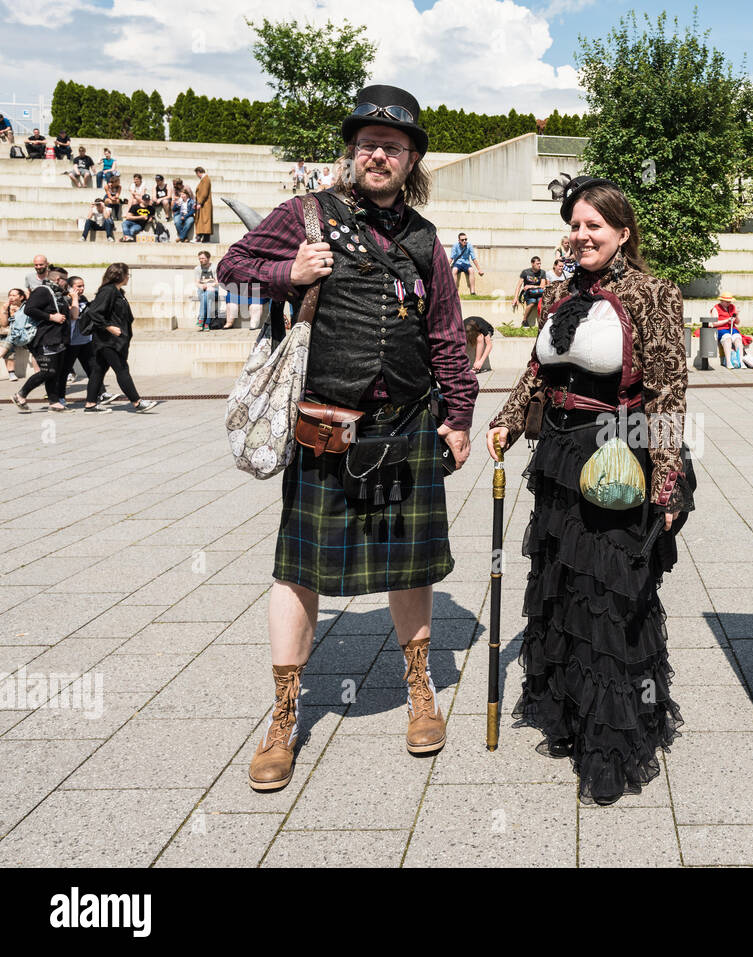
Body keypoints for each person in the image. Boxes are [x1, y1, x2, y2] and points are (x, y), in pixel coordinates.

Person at [217, 84, 478, 793]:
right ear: (351, 152)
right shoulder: (305, 214)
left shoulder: (426, 241)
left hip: (406, 425)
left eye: (393, 146)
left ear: (413, 158)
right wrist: (288, 271)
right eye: (367, 143)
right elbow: (230, 266)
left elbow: (447, 337)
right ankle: (283, 715)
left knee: (410, 565)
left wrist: (459, 414)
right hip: (324, 427)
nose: (378, 154)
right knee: (297, 569)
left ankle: (419, 689)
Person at [485, 176, 694, 806]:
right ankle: (570, 716)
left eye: (593, 226)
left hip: (617, 456)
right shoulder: (559, 294)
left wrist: (664, 480)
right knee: (563, 589)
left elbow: (668, 391)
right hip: (559, 455)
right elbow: (536, 373)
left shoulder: (654, 294)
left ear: (623, 233)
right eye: (573, 225)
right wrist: (505, 421)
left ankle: (611, 745)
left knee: (611, 596)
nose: (580, 235)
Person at [80, 262, 158, 414]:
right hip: (108, 340)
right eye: (127, 274)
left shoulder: (118, 291)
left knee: (98, 370)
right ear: (119, 276)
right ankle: (137, 402)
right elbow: (94, 312)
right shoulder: (108, 291)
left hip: (112, 340)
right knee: (122, 369)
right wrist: (108, 327)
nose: (128, 277)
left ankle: (90, 404)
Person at [12, 266, 73, 412]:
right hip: (44, 339)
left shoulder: (57, 294)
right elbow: (29, 309)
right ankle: (20, 394)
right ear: (58, 279)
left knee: (54, 372)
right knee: (48, 371)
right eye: (66, 280)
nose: (68, 283)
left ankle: (54, 402)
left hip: (56, 339)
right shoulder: (43, 291)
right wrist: (51, 317)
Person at [62, 276, 96, 387]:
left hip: (85, 340)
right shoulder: (65, 300)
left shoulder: (83, 298)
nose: (82, 288)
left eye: (83, 286)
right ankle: (55, 395)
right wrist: (74, 298)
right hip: (71, 342)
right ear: (70, 287)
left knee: (93, 369)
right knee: (64, 370)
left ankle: (101, 392)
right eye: (79, 286)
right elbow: (74, 316)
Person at [513, 254, 548, 326]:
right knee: (532, 302)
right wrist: (515, 298)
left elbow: (542, 286)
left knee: (540, 302)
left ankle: (541, 322)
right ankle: (524, 320)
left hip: (539, 293)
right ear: (532, 263)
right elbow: (519, 286)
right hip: (529, 294)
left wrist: (530, 286)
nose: (539, 265)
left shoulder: (542, 272)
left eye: (540, 264)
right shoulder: (525, 272)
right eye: (537, 264)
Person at [711, 293, 743, 368]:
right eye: (727, 301)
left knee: (738, 338)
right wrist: (727, 320)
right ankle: (728, 361)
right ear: (721, 301)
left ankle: (741, 361)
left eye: (730, 301)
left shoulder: (732, 307)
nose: (729, 303)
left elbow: (737, 322)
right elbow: (714, 323)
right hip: (721, 328)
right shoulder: (716, 308)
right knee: (727, 338)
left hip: (732, 328)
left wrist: (737, 315)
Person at [2, 288, 26, 380]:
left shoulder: (26, 306)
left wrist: (18, 313)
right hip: (12, 335)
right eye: (10, 295)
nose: (11, 298)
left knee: (7, 340)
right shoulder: (6, 306)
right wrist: (5, 311)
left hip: (25, 334)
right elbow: (4, 324)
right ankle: (11, 373)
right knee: (7, 340)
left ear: (21, 297)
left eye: (14, 295)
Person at [194, 250, 219, 330]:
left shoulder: (214, 267)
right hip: (202, 290)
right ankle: (207, 323)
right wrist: (201, 286)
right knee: (206, 296)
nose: (201, 260)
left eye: (203, 258)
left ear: (208, 258)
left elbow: (217, 282)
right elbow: (197, 283)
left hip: (213, 289)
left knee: (208, 293)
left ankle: (201, 319)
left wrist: (208, 285)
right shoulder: (197, 269)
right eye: (200, 258)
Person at [193, 166, 213, 243]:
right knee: (203, 221)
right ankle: (204, 238)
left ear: (198, 172)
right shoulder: (205, 179)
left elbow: (204, 192)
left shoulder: (205, 179)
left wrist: (199, 202)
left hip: (204, 204)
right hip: (203, 204)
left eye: (197, 174)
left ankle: (201, 238)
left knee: (204, 221)